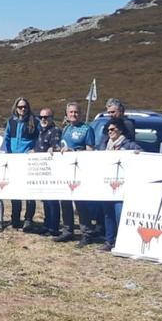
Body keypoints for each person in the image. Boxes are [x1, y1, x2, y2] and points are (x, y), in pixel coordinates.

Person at [56, 102, 97, 245]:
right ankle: (68, 231)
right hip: (66, 171)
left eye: (76, 112)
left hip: (79, 171)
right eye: (71, 112)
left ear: (80, 113)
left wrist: (74, 153)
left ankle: (87, 233)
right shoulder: (66, 128)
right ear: (66, 114)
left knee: (80, 203)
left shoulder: (87, 129)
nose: (73, 114)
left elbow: (90, 151)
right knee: (65, 200)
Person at [99, 117, 141, 252]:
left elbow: (142, 153)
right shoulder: (105, 145)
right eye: (108, 130)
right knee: (107, 213)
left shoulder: (128, 145)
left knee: (119, 213)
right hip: (106, 184)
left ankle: (123, 241)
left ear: (120, 130)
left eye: (112, 129)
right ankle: (109, 240)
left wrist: (136, 154)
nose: (109, 132)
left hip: (122, 186)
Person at [1, 96, 39, 231]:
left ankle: (28, 219)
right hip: (13, 161)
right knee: (15, 191)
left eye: (25, 107)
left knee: (29, 192)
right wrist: (5, 152)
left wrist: (35, 149)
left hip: (28, 162)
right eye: (20, 107)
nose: (22, 109)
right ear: (15, 108)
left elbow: (39, 139)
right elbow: (6, 139)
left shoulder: (34, 121)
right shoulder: (11, 122)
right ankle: (15, 219)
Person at [35, 107, 63, 237]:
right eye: (41, 117)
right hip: (41, 168)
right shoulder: (40, 131)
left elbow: (56, 146)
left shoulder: (55, 131)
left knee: (52, 199)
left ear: (52, 118)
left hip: (52, 170)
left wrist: (53, 148)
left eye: (46, 117)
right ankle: (46, 224)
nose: (43, 119)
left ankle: (54, 227)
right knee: (45, 199)